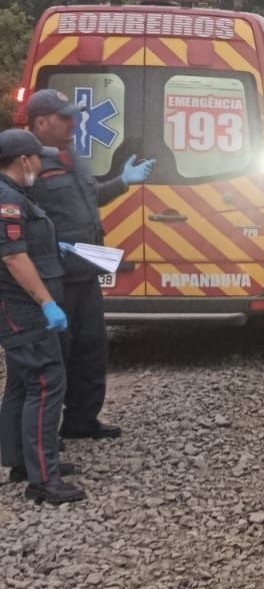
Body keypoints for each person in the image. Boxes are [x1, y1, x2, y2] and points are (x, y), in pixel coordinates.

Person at [25, 88, 154, 439]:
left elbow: (90, 196)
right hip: (53, 280)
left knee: (92, 350)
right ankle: (43, 439)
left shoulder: (72, 157)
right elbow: (18, 220)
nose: (74, 122)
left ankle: (82, 421)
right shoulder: (27, 163)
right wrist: (47, 248)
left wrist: (122, 182)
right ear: (40, 123)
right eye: (65, 117)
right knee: (56, 357)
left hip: (84, 275)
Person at [0, 128, 85, 503]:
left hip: (20, 309)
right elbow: (13, 257)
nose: (40, 164)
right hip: (24, 310)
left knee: (21, 385)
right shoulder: (7, 200)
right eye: (37, 157)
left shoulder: (15, 194)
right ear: (23, 160)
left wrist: (52, 246)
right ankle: (44, 480)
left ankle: (23, 463)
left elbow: (24, 245)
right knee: (46, 383)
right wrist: (46, 301)